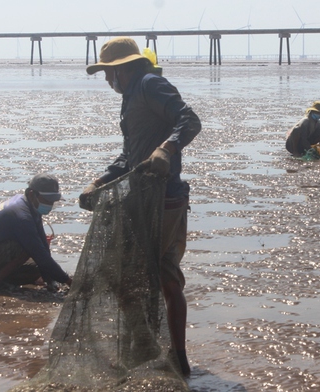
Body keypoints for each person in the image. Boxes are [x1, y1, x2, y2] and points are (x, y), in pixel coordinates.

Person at [81, 37, 201, 376]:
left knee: (139, 276)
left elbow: (189, 120)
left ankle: (163, 352)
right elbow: (132, 154)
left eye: (108, 73)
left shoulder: (150, 84)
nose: (107, 81)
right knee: (161, 276)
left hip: (164, 200)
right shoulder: (131, 96)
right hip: (144, 199)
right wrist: (101, 180)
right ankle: (164, 353)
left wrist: (168, 149)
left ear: (123, 69)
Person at [0, 173, 72, 290]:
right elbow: (39, 252)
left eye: (52, 201)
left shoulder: (30, 207)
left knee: (36, 269)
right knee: (26, 247)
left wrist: (50, 281)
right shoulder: (21, 215)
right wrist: (68, 281)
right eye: (47, 200)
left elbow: (43, 246)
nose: (50, 205)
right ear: (32, 194)